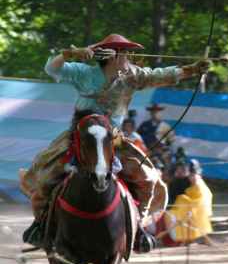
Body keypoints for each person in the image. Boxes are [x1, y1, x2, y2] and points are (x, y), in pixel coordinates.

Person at [19, 33, 210, 251]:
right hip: (80, 136)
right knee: (44, 174)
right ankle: (41, 224)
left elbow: (161, 75)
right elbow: (51, 69)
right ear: (111, 56)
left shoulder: (132, 75)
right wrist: (69, 54)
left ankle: (138, 229)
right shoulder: (85, 73)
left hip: (114, 139)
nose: (129, 57)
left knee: (148, 179)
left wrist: (193, 70)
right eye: (124, 53)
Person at [164, 159, 214, 244]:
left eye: (183, 169)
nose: (181, 171)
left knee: (194, 216)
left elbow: (197, 193)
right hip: (184, 204)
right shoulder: (176, 182)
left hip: (197, 203)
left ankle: (199, 239)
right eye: (179, 169)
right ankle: (188, 239)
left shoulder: (194, 179)